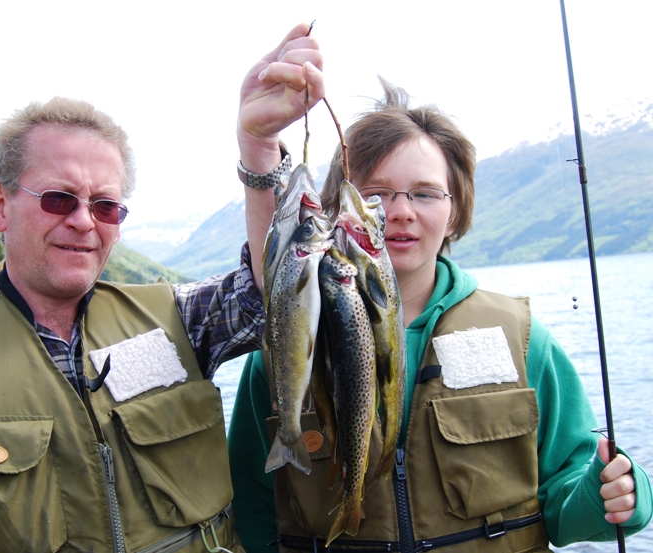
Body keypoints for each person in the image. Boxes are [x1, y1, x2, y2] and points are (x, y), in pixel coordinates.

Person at [0, 23, 324, 553]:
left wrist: (258, 147)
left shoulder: (176, 318)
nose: (84, 221)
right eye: (59, 198)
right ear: (0, 205)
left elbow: (276, 298)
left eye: (105, 205)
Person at [227, 80, 652, 552]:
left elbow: (568, 500)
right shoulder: (286, 349)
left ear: (454, 213)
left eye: (425, 194)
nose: (400, 212)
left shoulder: (523, 340)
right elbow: (250, 513)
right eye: (376, 195)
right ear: (337, 211)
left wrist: (612, 496)